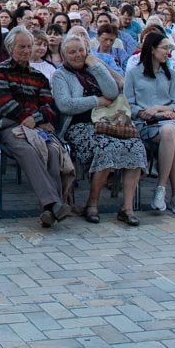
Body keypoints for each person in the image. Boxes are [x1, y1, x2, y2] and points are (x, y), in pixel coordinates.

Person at [52, 35, 146, 225]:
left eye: (81, 50)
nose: (78, 55)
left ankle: (127, 208)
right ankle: (92, 203)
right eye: (72, 52)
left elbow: (112, 92)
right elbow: (66, 105)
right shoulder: (60, 75)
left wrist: (95, 65)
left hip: (110, 121)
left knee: (136, 146)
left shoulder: (94, 68)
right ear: (64, 56)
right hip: (80, 125)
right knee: (105, 147)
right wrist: (97, 101)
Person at [0, 26, 74, 228]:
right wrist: (28, 117)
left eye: (29, 46)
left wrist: (34, 119)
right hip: (10, 127)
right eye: (21, 47)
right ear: (11, 48)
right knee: (28, 151)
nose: (26, 51)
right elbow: (4, 103)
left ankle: (49, 211)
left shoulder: (39, 76)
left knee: (52, 151)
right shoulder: (0, 71)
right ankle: (53, 203)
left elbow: (49, 106)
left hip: (36, 127)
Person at [126, 32, 175, 214]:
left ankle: (161, 188)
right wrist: (144, 112)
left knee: (172, 133)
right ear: (152, 49)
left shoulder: (170, 75)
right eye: (164, 48)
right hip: (145, 124)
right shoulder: (133, 73)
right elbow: (129, 103)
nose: (168, 52)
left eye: (169, 48)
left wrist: (159, 109)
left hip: (169, 121)